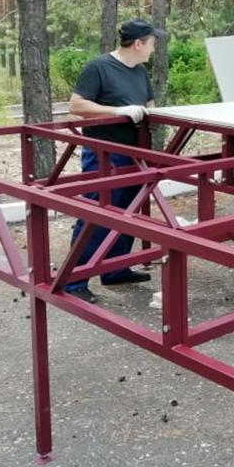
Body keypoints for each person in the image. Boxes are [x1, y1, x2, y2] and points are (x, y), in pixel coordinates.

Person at [64, 19, 165, 304]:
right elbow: (76, 105)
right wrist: (117, 111)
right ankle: (74, 280)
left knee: (126, 212)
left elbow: (149, 105)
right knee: (96, 213)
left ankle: (114, 269)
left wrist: (152, 115)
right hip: (104, 154)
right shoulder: (99, 67)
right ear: (138, 43)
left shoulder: (140, 72)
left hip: (135, 153)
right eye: (152, 43)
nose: (154, 49)